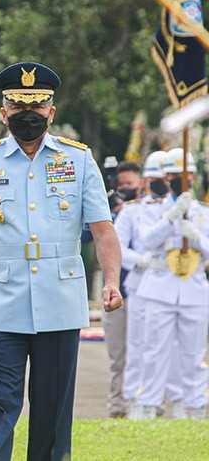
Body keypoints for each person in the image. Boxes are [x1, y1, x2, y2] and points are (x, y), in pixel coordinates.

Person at [0, 62, 122, 461]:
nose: (28, 114)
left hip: (59, 304)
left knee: (52, 413)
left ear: (51, 112)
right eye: (18, 106)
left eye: (37, 106)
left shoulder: (78, 161)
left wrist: (111, 279)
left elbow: (103, 229)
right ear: (3, 111)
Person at [132, 147, 209, 420]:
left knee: (194, 355)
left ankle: (194, 407)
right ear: (165, 178)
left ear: (193, 176)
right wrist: (172, 218)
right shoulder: (154, 210)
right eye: (174, 176)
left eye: (184, 175)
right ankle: (147, 406)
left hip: (195, 288)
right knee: (154, 352)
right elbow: (148, 241)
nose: (178, 180)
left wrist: (197, 237)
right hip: (161, 286)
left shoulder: (204, 212)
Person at [116, 151, 184, 419]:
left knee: (175, 345)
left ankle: (175, 399)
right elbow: (117, 247)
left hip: (175, 281)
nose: (160, 183)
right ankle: (136, 398)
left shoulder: (181, 208)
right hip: (143, 281)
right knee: (139, 344)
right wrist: (141, 259)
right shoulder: (133, 210)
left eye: (164, 178)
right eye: (155, 178)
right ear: (146, 180)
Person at [102, 160, 145, 418]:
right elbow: (87, 238)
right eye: (122, 184)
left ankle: (146, 403)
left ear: (142, 183)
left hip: (146, 291)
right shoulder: (112, 212)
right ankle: (117, 406)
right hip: (116, 292)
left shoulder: (149, 211)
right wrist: (109, 214)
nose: (126, 188)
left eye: (131, 183)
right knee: (117, 355)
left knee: (146, 350)